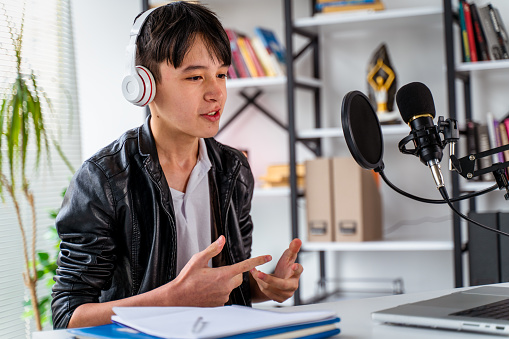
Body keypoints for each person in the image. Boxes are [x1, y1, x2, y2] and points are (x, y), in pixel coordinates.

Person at [51, 1, 303, 329]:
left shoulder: (233, 170)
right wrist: (172, 298)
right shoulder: (104, 179)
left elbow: (224, 288)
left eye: (222, 75)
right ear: (144, 86)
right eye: (195, 76)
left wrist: (265, 286)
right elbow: (68, 316)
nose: (216, 93)